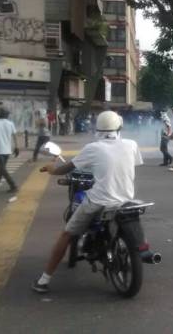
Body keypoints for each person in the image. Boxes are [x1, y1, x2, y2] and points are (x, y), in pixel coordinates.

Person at [32, 111, 143, 293]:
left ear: (97, 128)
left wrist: (52, 169)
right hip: (125, 200)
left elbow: (66, 168)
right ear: (119, 127)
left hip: (99, 201)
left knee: (66, 234)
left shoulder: (93, 148)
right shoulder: (131, 144)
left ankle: (44, 280)